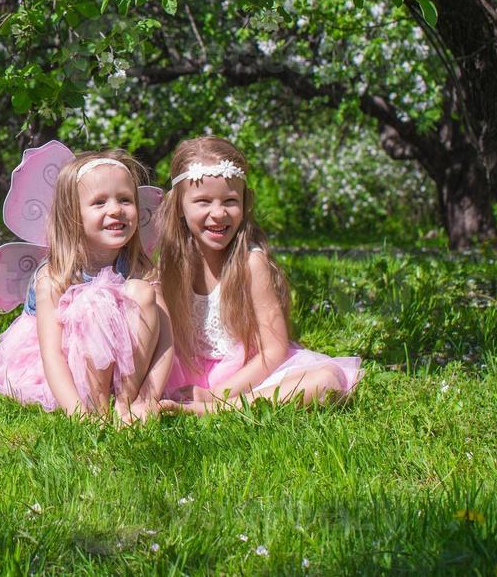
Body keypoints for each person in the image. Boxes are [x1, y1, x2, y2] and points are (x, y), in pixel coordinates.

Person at [153, 136, 363, 414]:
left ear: (245, 202)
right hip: (188, 373)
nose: (218, 213)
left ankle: (220, 408)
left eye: (229, 201)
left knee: (325, 382)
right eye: (203, 201)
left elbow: (273, 350)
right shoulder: (170, 265)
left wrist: (216, 394)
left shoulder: (251, 263)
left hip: (250, 374)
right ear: (179, 206)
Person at [0, 150, 163, 423]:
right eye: (99, 202)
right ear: (72, 215)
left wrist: (144, 398)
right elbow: (52, 354)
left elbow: (165, 335)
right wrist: (77, 413)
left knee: (143, 292)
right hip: (60, 359)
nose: (115, 209)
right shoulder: (54, 275)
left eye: (125, 200)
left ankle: (123, 402)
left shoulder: (137, 264)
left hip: (119, 363)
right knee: (18, 382)